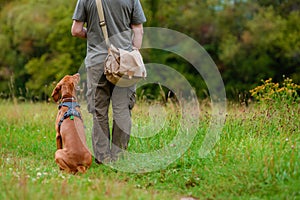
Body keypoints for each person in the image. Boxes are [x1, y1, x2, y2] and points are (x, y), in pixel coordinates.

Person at [71, 0, 146, 164]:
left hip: (96, 61)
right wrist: (134, 51)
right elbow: (138, 30)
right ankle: (119, 158)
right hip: (123, 61)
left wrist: (90, 34)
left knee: (99, 110)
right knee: (122, 109)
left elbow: (76, 30)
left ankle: (103, 158)